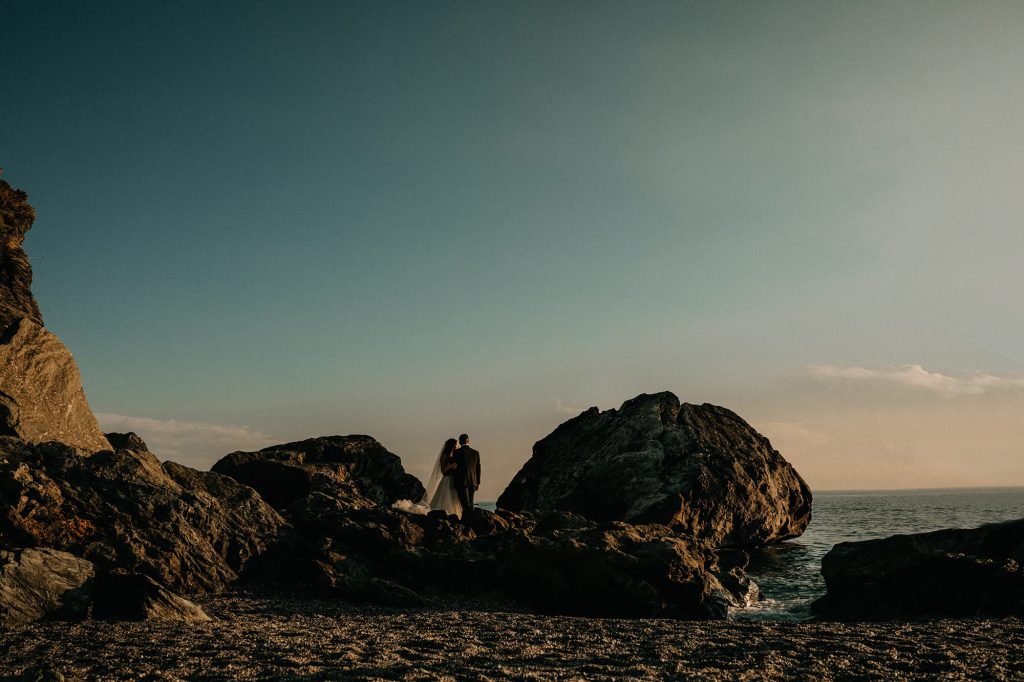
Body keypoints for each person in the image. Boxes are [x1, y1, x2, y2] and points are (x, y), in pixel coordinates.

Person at [392, 438, 463, 518]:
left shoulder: (454, 456)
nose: (458, 446)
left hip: (452, 480)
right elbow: (442, 470)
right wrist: (450, 466)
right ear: (452, 446)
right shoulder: (445, 456)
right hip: (446, 480)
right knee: (444, 498)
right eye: (456, 444)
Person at [452, 433, 480, 517]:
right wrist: (478, 482)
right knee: (470, 503)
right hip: (473, 481)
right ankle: (471, 521)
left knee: (464, 504)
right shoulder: (476, 453)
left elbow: (454, 467)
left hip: (461, 481)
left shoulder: (456, 452)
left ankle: (467, 521)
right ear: (468, 441)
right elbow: (478, 469)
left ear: (460, 442)